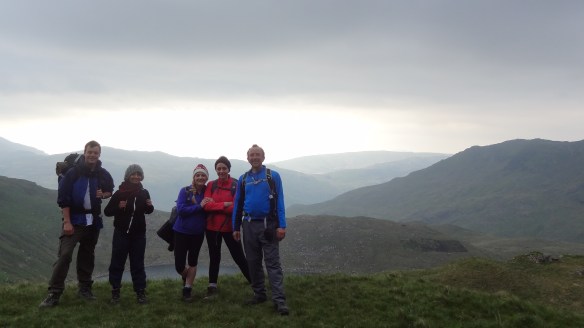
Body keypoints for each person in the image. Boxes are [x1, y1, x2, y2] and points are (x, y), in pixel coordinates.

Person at [40, 140, 115, 308]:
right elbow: (63, 199)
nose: (92, 155)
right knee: (65, 255)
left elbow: (110, 189)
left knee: (87, 254)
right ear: (85, 152)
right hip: (74, 220)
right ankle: (54, 293)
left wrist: (104, 194)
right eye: (90, 152)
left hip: (93, 220)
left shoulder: (102, 173)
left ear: (99, 154)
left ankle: (84, 288)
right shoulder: (73, 173)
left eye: (95, 153)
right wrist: (67, 221)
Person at [232, 144, 289, 315]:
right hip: (248, 224)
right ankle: (259, 294)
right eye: (252, 155)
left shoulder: (273, 176)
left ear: (263, 157)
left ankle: (279, 301)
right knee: (253, 262)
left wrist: (282, 226)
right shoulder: (243, 179)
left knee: (272, 263)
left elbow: (280, 201)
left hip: (268, 225)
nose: (255, 157)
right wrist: (235, 227)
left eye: (258, 154)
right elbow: (238, 204)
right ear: (247, 158)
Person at [103, 164, 154, 304]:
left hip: (138, 235)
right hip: (121, 233)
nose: (136, 176)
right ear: (128, 176)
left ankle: (140, 292)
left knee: (137, 263)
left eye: (139, 174)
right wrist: (118, 207)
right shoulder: (119, 193)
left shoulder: (144, 192)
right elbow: (107, 211)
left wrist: (150, 206)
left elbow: (148, 210)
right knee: (117, 263)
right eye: (134, 174)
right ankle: (115, 291)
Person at [203, 156, 251, 299]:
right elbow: (206, 206)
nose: (221, 171)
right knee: (214, 257)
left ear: (229, 169)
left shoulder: (236, 185)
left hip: (230, 228)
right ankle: (212, 286)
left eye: (224, 168)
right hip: (212, 228)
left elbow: (237, 208)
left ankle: (254, 282)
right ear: (216, 170)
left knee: (239, 257)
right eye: (219, 168)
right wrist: (225, 204)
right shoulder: (211, 185)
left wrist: (215, 206)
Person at [173, 164, 211, 302]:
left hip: (198, 232)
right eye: (198, 175)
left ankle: (187, 289)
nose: (200, 177)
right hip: (181, 231)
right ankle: (186, 276)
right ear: (194, 177)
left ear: (207, 177)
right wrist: (198, 207)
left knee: (193, 261)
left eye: (203, 175)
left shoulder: (208, 191)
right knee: (179, 265)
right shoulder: (185, 191)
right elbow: (181, 210)